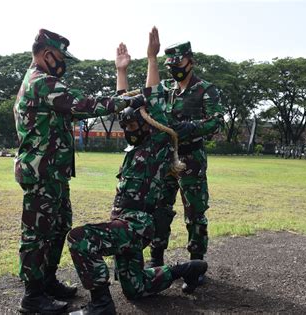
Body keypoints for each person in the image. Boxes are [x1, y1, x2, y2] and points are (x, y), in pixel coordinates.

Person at [67, 28, 207, 314]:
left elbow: (152, 97)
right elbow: (124, 102)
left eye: (133, 124)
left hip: (136, 225)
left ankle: (101, 305)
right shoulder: (134, 147)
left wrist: (152, 58)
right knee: (136, 288)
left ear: (146, 124)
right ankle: (185, 269)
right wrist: (121, 70)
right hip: (127, 223)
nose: (128, 127)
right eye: (126, 125)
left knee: (79, 239)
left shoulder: (156, 142)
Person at [13, 29, 144, 314]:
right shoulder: (41, 82)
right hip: (41, 174)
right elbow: (83, 105)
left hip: (54, 173)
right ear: (47, 55)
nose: (64, 64)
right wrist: (125, 101)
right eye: (61, 58)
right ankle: (32, 297)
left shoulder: (44, 82)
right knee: (37, 234)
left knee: (58, 228)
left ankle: (46, 282)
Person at [146, 38, 224, 290]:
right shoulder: (166, 88)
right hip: (165, 158)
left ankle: (196, 265)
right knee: (159, 209)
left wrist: (189, 128)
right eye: (170, 63)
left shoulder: (205, 89)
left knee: (195, 214)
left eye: (178, 62)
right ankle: (156, 260)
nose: (174, 67)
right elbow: (150, 100)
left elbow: (216, 121)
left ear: (191, 60)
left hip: (191, 159)